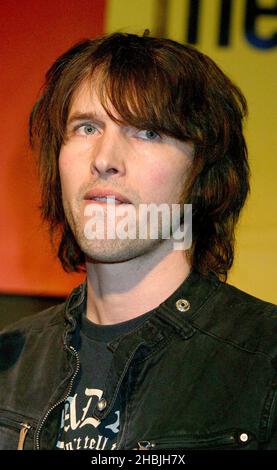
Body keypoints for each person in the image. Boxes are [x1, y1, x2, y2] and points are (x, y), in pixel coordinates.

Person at [0, 31, 276, 451]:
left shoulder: (265, 361)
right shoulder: (9, 365)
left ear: (202, 175)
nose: (105, 159)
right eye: (87, 127)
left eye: (147, 132)